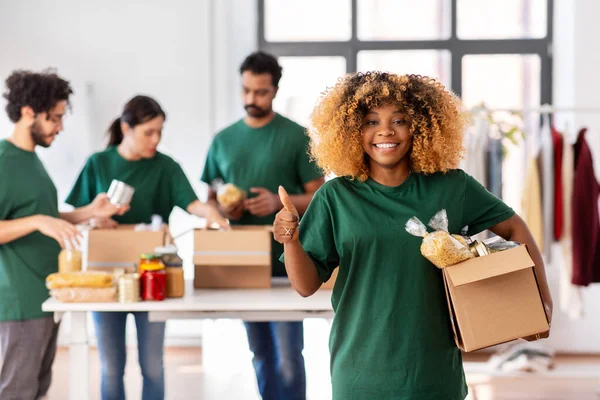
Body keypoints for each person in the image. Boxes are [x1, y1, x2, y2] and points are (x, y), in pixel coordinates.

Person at [274, 72, 553, 399]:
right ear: (352, 131)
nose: (385, 131)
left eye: (400, 120)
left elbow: (514, 227)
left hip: (433, 373)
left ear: (420, 125)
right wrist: (291, 241)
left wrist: (541, 301)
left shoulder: (452, 186)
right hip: (360, 374)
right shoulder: (335, 197)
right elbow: (305, 286)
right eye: (370, 121)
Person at [65, 95, 228, 400]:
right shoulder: (98, 164)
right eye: (148, 132)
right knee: (111, 367)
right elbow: (77, 218)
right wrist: (95, 220)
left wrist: (213, 213)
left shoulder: (166, 167)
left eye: (159, 132)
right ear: (126, 128)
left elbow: (193, 204)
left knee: (152, 365)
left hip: (153, 275)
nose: (156, 139)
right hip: (107, 278)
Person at [201, 51, 324, 400]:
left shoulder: (296, 136)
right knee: (261, 354)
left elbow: (321, 195)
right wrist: (226, 208)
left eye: (260, 92)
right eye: (245, 91)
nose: (250, 99)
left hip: (288, 262)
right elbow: (209, 200)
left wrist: (277, 202)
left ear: (275, 90)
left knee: (288, 356)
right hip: (243, 262)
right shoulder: (223, 140)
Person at [0, 69, 127, 400]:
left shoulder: (32, 160)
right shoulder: (3, 161)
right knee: (17, 391)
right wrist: (39, 221)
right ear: (29, 112)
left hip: (45, 294)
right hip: (18, 301)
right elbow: (37, 220)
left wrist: (89, 212)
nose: (60, 126)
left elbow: (44, 216)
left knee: (37, 387)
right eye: (54, 118)